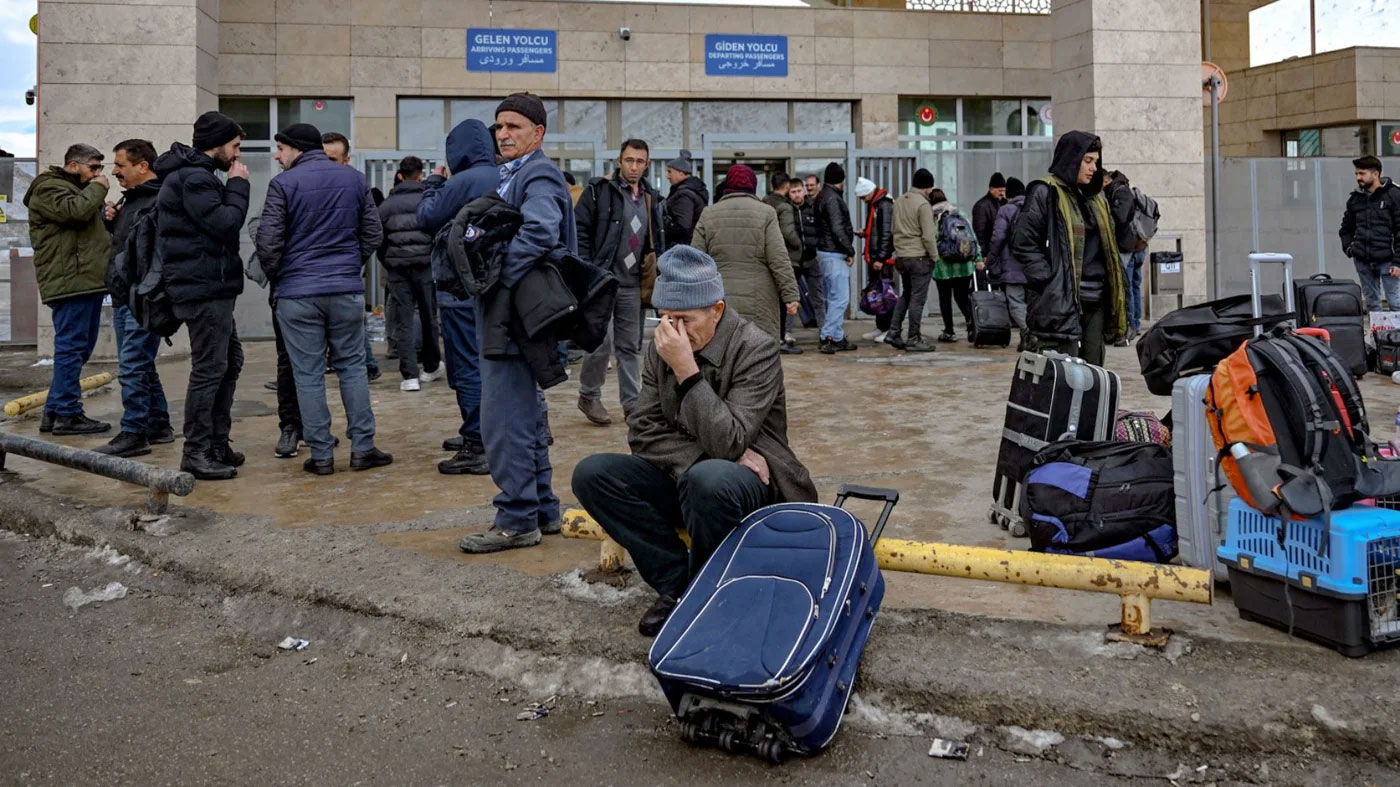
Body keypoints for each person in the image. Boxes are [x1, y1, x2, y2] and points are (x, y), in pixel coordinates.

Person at [572, 245, 818, 636]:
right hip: (691, 475)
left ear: (717, 311)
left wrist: (687, 371)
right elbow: (643, 431)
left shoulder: (756, 348)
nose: (674, 330)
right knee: (593, 474)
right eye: (667, 317)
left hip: (756, 485)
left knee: (710, 479)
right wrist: (699, 458)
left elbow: (732, 439)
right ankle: (678, 584)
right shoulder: (663, 344)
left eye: (685, 319)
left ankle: (713, 594)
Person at [457, 92, 576, 554]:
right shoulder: (518, 175)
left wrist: (496, 277)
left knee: (503, 421)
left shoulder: (537, 172)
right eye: (499, 127)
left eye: (514, 127)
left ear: (537, 134)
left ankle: (515, 521)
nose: (503, 134)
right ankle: (542, 510)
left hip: (512, 319)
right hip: (517, 320)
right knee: (525, 417)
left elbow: (541, 230)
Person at [256, 122, 390, 476]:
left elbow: (268, 244)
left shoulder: (282, 184)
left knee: (308, 373)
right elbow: (373, 233)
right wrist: (348, 265)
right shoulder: (355, 180)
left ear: (296, 149)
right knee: (353, 367)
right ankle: (363, 447)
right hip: (345, 289)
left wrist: (284, 276)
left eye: (281, 149)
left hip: (298, 294)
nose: (277, 155)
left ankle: (321, 455)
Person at [154, 112, 250, 480]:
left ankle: (215, 443)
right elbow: (225, 223)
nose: (238, 156)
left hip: (210, 286)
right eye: (236, 147)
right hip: (203, 288)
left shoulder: (197, 176)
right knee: (210, 369)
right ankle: (196, 452)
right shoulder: (195, 178)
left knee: (231, 360)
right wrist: (238, 186)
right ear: (218, 144)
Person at [417, 119, 499, 476]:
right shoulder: (503, 176)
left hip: (459, 289)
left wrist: (434, 182)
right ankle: (484, 433)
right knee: (492, 366)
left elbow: (426, 217)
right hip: (493, 288)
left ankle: (476, 444)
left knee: (466, 367)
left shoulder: (462, 181)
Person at [1010, 130, 1128, 366]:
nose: (1094, 168)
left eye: (1096, 161)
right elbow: (1023, 242)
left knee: (1093, 371)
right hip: (1060, 300)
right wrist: (1048, 278)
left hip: (1096, 299)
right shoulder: (1045, 192)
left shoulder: (1097, 198)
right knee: (1063, 376)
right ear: (1071, 159)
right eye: (1087, 161)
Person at [23, 143, 113, 437]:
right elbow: (74, 212)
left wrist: (105, 215)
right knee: (72, 349)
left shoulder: (71, 189)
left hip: (83, 280)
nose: (99, 174)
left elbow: (82, 224)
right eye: (94, 167)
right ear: (74, 165)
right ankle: (68, 414)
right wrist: (98, 189)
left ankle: (54, 411)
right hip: (70, 281)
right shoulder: (49, 188)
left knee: (79, 348)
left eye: (100, 169)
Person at [574, 139, 664, 427]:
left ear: (647, 164)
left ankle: (632, 403)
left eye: (640, 161)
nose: (634, 166)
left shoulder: (651, 197)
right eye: (629, 160)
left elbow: (656, 238)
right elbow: (581, 231)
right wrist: (588, 270)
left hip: (633, 283)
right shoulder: (600, 192)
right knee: (600, 342)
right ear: (619, 160)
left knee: (629, 346)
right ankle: (589, 394)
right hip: (603, 281)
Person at [95, 139, 173, 456]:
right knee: (141, 365)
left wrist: (148, 291)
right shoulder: (134, 201)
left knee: (132, 366)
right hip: (125, 296)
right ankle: (158, 425)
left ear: (143, 166)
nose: (114, 171)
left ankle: (134, 432)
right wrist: (111, 221)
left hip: (144, 298)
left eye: (120, 165)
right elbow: (127, 247)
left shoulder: (159, 201)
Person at [691, 164, 798, 342]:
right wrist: (790, 295)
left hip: (719, 299)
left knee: (722, 355)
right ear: (753, 186)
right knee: (758, 356)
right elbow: (778, 257)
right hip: (759, 300)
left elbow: (695, 260)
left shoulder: (709, 214)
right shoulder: (766, 213)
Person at [377, 155, 444, 392]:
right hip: (426, 267)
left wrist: (389, 260)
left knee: (403, 321)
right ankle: (431, 366)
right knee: (429, 317)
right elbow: (440, 232)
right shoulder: (428, 200)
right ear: (420, 175)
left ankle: (409, 376)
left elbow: (378, 239)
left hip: (398, 270)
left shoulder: (386, 205)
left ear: (399, 175)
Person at [323, 131, 383, 381]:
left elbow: (372, 232)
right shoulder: (304, 185)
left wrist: (352, 260)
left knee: (351, 324)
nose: (327, 166)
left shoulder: (356, 186)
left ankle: (367, 365)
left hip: (345, 271)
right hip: (315, 274)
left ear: (346, 161)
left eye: (333, 160)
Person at [886, 168, 939, 353]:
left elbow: (893, 229)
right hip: (919, 257)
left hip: (902, 257)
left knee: (906, 294)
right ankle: (914, 337)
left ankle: (893, 331)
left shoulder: (899, 201)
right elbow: (928, 236)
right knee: (917, 299)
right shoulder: (923, 205)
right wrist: (935, 257)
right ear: (927, 188)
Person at [1341, 155, 1400, 312]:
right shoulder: (1356, 199)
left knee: (1396, 302)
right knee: (1372, 304)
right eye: (1356, 174)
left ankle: (1397, 336)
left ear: (1375, 174)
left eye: (1362, 173)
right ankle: (1377, 336)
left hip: (1389, 260)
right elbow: (1345, 229)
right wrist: (1350, 248)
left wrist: (1398, 262)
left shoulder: (1394, 195)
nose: (1358, 177)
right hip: (1363, 260)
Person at [813, 162, 857, 354]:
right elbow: (838, 229)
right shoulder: (833, 199)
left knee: (833, 298)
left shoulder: (823, 195)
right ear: (842, 180)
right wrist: (850, 250)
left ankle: (837, 337)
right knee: (840, 299)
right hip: (833, 253)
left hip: (825, 252)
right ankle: (827, 336)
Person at [761, 173, 804, 354]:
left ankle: (771, 337)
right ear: (786, 187)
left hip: (765, 256)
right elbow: (788, 233)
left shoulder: (764, 202)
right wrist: (800, 245)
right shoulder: (784, 207)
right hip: (785, 256)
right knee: (785, 299)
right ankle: (780, 338)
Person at [928, 189, 977, 344]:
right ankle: (973, 324)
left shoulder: (932, 217)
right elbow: (972, 237)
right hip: (964, 265)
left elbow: (931, 240)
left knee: (945, 299)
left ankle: (949, 331)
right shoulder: (959, 213)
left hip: (943, 266)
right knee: (962, 297)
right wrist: (978, 258)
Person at [987, 177, 1029, 346]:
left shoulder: (1006, 210)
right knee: (1031, 303)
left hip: (1012, 265)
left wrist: (991, 258)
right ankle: (1027, 338)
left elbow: (998, 237)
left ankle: (1028, 332)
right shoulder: (1036, 207)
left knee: (1016, 302)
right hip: (1035, 266)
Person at [1104, 170, 1144, 344]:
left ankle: (1131, 326)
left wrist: (1107, 209)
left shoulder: (1120, 191)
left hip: (1128, 246)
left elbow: (1120, 216)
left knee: (1127, 287)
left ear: (1107, 179)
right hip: (1136, 245)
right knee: (1133, 286)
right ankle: (1134, 324)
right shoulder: (1122, 190)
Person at [855, 176, 896, 342]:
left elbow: (886, 233)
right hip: (876, 257)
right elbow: (878, 231)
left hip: (882, 259)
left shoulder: (884, 205)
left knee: (886, 295)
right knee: (877, 294)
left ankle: (889, 328)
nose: (863, 201)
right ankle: (881, 326)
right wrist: (866, 232)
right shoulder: (876, 204)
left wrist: (880, 257)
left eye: (863, 197)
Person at [792, 178, 825, 331]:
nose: (797, 195)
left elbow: (821, 229)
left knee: (817, 296)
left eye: (799, 191)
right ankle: (786, 333)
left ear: (804, 191)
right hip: (794, 261)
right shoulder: (787, 211)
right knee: (790, 298)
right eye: (793, 192)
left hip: (811, 258)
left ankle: (825, 331)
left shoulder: (813, 207)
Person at [663, 150, 708, 247]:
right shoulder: (692, 190)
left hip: (682, 247)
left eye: (670, 172)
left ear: (681, 173)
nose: (667, 176)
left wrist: (663, 233)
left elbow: (683, 226)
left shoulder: (684, 194)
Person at [972, 172, 1007, 258]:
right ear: (991, 189)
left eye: (1003, 191)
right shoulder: (981, 206)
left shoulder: (1004, 203)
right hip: (989, 252)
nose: (1002, 193)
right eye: (1000, 190)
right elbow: (980, 233)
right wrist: (983, 254)